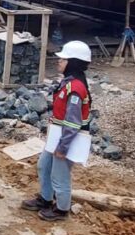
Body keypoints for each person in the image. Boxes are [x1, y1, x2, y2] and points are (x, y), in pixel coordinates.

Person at [22, 41, 93, 221]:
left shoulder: (75, 88)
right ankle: (46, 198)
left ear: (73, 62)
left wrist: (63, 147)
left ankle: (62, 208)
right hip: (58, 136)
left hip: (66, 139)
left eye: (63, 59)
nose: (59, 61)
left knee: (59, 174)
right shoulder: (68, 83)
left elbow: (73, 121)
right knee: (44, 166)